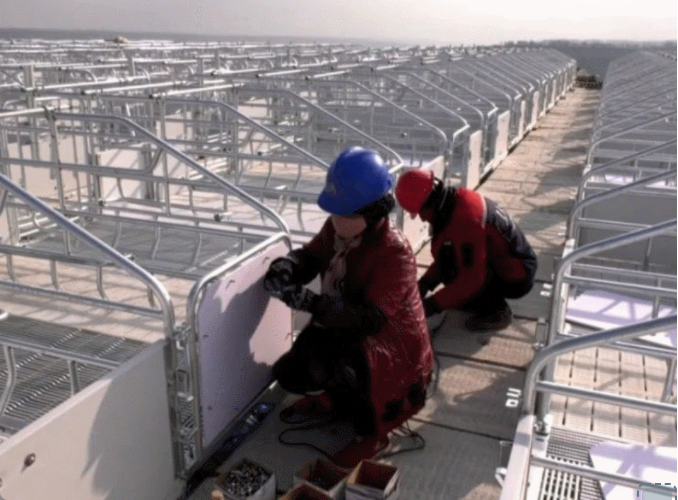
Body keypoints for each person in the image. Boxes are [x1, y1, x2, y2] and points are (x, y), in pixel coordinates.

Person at [264, 147, 434, 468]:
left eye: (346, 214)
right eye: (334, 213)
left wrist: (310, 302)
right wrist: (288, 266)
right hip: (348, 331)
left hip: (390, 353)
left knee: (345, 367)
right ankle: (333, 401)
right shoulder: (339, 229)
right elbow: (312, 256)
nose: (336, 221)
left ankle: (374, 435)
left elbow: (370, 320)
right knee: (292, 372)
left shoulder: (394, 253)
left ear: (373, 214)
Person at [394, 169, 537, 333]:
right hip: (511, 261)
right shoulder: (456, 200)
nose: (421, 218)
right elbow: (445, 256)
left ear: (427, 207)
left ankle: (497, 311)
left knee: (455, 277)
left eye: (420, 213)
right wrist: (425, 284)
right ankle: (484, 300)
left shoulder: (465, 221)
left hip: (518, 276)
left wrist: (431, 305)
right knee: (451, 267)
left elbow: (471, 279)